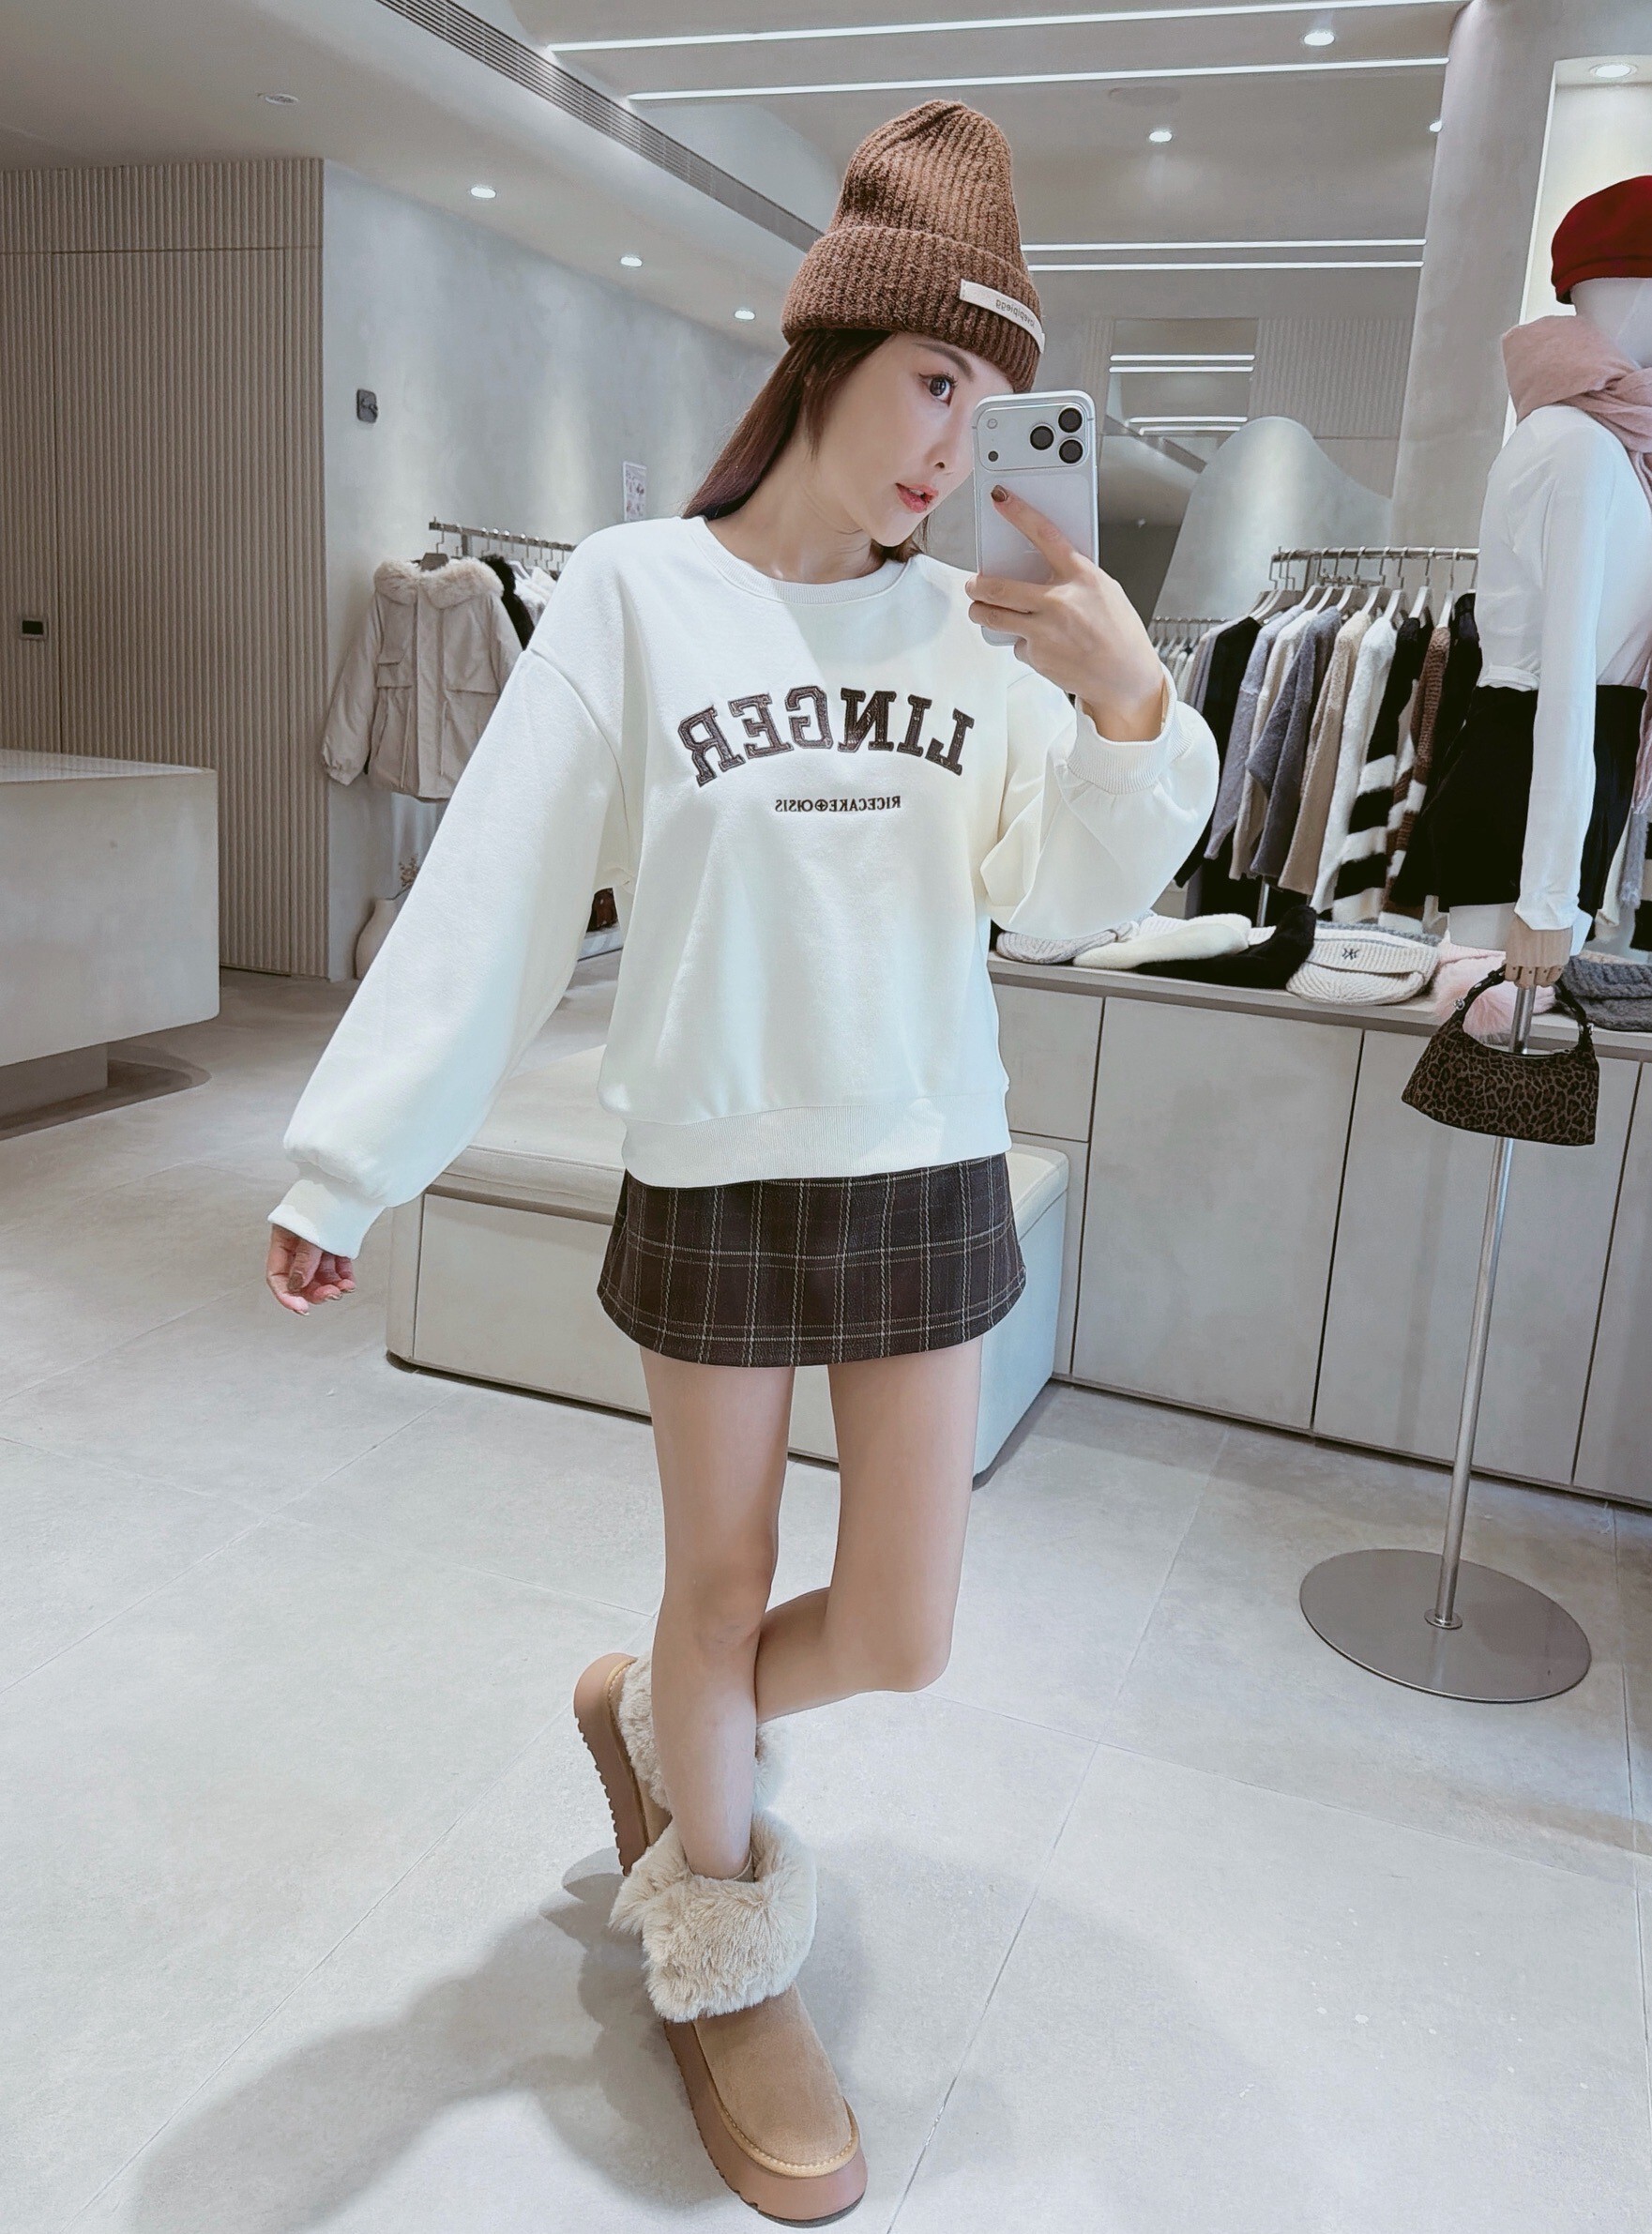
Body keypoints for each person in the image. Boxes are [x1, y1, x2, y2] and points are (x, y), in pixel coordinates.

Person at [264, 100, 1217, 2225]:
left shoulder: (976, 632)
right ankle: (716, 1924)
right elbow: (497, 895)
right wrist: (348, 1166)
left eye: (984, 404)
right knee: (715, 1585)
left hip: (921, 1161)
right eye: (932, 380)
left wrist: (1130, 706)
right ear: (831, 349)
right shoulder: (633, 595)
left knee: (899, 1629)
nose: (949, 446)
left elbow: (1064, 896)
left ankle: (661, 1719)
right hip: (709, 1164)